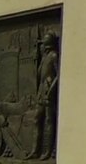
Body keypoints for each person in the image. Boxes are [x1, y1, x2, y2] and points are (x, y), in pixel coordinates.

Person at [25, 32, 59, 160]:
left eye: (43, 44)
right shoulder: (44, 57)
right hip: (41, 91)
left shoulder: (54, 56)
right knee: (37, 119)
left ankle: (48, 152)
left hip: (48, 91)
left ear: (48, 45)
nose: (42, 46)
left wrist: (51, 89)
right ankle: (35, 150)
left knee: (49, 120)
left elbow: (58, 74)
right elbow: (38, 74)